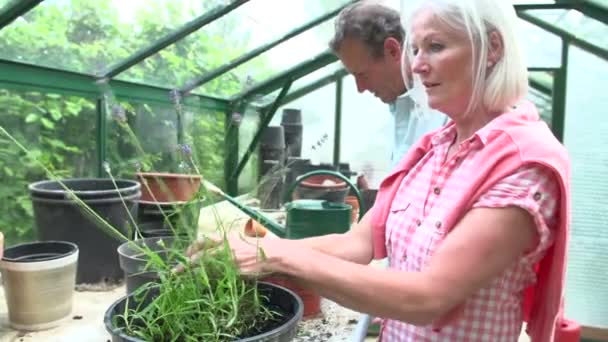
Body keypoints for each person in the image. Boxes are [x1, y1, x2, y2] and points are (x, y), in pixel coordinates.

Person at [186, 0, 571, 341]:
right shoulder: (433, 149)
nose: (417, 64)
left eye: (436, 46)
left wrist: (278, 257)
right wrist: (255, 249)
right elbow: (359, 244)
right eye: (415, 48)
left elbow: (428, 298)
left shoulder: (524, 165)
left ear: (493, 48)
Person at [328, 1, 448, 167]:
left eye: (362, 74)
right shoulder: (398, 102)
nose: (360, 88)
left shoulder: (444, 111)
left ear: (393, 50)